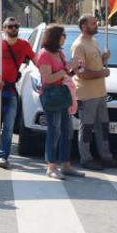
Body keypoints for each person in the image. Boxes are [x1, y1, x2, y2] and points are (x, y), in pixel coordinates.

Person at [72, 14, 117, 170]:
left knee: (103, 126)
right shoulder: (78, 45)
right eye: (93, 23)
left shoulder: (93, 41)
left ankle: (106, 156)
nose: (97, 25)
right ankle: (86, 159)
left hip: (100, 93)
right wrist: (101, 73)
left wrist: (103, 58)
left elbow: (94, 64)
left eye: (96, 22)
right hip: (87, 94)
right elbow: (79, 72)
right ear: (83, 26)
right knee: (87, 127)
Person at [0, 17, 36, 169]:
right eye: (10, 26)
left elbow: (37, 60)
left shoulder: (24, 45)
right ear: (4, 29)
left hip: (11, 89)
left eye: (16, 26)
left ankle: (3, 156)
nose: (13, 28)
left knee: (8, 127)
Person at [36, 25, 81, 179]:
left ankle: (66, 164)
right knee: (54, 131)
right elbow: (47, 79)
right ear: (55, 36)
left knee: (67, 130)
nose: (65, 37)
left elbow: (65, 72)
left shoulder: (59, 53)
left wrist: (73, 67)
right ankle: (51, 167)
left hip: (62, 95)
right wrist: (64, 71)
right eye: (63, 34)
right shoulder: (44, 54)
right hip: (51, 96)